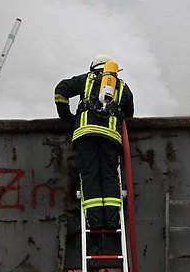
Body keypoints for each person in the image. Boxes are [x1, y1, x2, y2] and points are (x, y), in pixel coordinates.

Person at [55, 54, 134, 229]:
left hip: (86, 134)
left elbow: (61, 90)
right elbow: (129, 114)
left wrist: (66, 115)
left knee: (90, 175)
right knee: (110, 176)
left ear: (94, 68)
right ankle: (113, 220)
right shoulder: (122, 86)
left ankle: (95, 220)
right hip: (111, 137)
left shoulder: (86, 80)